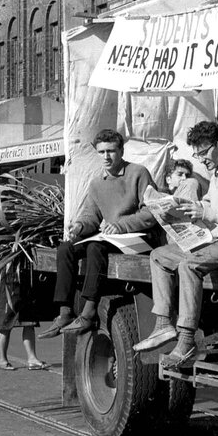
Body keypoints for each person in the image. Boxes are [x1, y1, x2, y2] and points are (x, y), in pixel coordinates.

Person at [133, 121, 218, 368]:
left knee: (189, 265)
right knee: (159, 256)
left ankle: (187, 339)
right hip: (216, 238)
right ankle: (162, 325)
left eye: (203, 153)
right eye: (197, 154)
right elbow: (208, 204)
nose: (201, 160)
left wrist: (204, 211)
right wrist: (180, 210)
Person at [38, 129, 156, 338]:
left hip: (138, 239)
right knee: (66, 248)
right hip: (111, 237)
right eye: (101, 152)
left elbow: (152, 212)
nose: (106, 157)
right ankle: (64, 312)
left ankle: (89, 311)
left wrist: (121, 225)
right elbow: (90, 216)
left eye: (111, 151)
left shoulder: (138, 173)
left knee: (95, 247)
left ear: (121, 151)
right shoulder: (97, 183)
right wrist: (79, 227)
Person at [0, 275, 48, 371]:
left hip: (25, 280)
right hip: (8, 282)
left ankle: (32, 359)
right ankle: (3, 360)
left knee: (29, 322)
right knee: (5, 324)